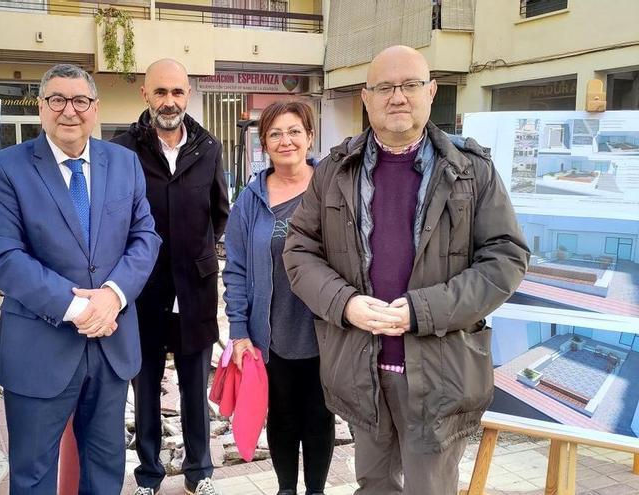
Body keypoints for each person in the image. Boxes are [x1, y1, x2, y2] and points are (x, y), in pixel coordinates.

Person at [282, 46, 530, 494]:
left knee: (429, 488)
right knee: (374, 486)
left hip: (440, 375)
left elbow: (506, 258)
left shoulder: (472, 171)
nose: (398, 97)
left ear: (431, 92)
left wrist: (422, 311)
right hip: (362, 368)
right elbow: (299, 250)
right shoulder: (335, 172)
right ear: (366, 97)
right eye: (384, 87)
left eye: (410, 85)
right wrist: (346, 303)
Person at [0, 63, 161, 494]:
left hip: (111, 344)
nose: (69, 111)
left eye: (80, 101)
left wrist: (113, 297)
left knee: (105, 467)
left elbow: (145, 236)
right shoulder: (8, 168)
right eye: (57, 100)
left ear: (95, 109)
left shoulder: (124, 163)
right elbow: (2, 256)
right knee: (33, 475)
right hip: (39, 349)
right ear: (41, 108)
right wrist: (81, 307)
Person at [111, 58, 229, 495]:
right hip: (143, 292)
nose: (169, 101)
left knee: (195, 387)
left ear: (188, 95)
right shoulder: (122, 150)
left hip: (194, 291)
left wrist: (195, 252)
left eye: (177, 92)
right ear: (145, 94)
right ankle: (148, 475)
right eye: (160, 92)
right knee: (144, 389)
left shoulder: (209, 147)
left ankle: (200, 472)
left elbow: (220, 214)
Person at [222, 100, 334, 495]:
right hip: (271, 331)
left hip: (325, 328)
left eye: (294, 131)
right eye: (275, 134)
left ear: (309, 137)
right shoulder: (250, 202)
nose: (285, 140)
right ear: (264, 144)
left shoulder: (333, 189)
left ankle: (316, 491)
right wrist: (238, 332)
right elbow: (234, 269)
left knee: (320, 415)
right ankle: (286, 488)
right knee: (282, 414)